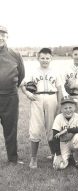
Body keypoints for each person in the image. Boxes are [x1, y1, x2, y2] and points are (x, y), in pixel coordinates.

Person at [21, 48, 62, 168]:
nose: (45, 60)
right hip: (37, 98)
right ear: (38, 58)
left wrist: (59, 104)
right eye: (42, 58)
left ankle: (54, 154)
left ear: (51, 58)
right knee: (35, 128)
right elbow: (23, 85)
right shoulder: (33, 71)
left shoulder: (55, 72)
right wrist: (27, 93)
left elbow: (59, 89)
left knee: (52, 128)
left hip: (52, 97)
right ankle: (33, 158)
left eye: (47, 58)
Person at [0, 25, 25, 164]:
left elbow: (21, 75)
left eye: (2, 34)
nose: (0, 37)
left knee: (11, 129)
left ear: (7, 37)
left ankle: (13, 158)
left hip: (10, 97)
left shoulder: (15, 55)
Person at [51, 96, 78, 170]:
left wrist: (68, 130)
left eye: (70, 107)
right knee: (58, 166)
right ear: (61, 109)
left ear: (74, 107)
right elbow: (55, 137)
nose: (68, 110)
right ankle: (70, 156)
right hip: (63, 144)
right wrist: (58, 155)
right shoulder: (58, 118)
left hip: (74, 142)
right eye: (65, 108)